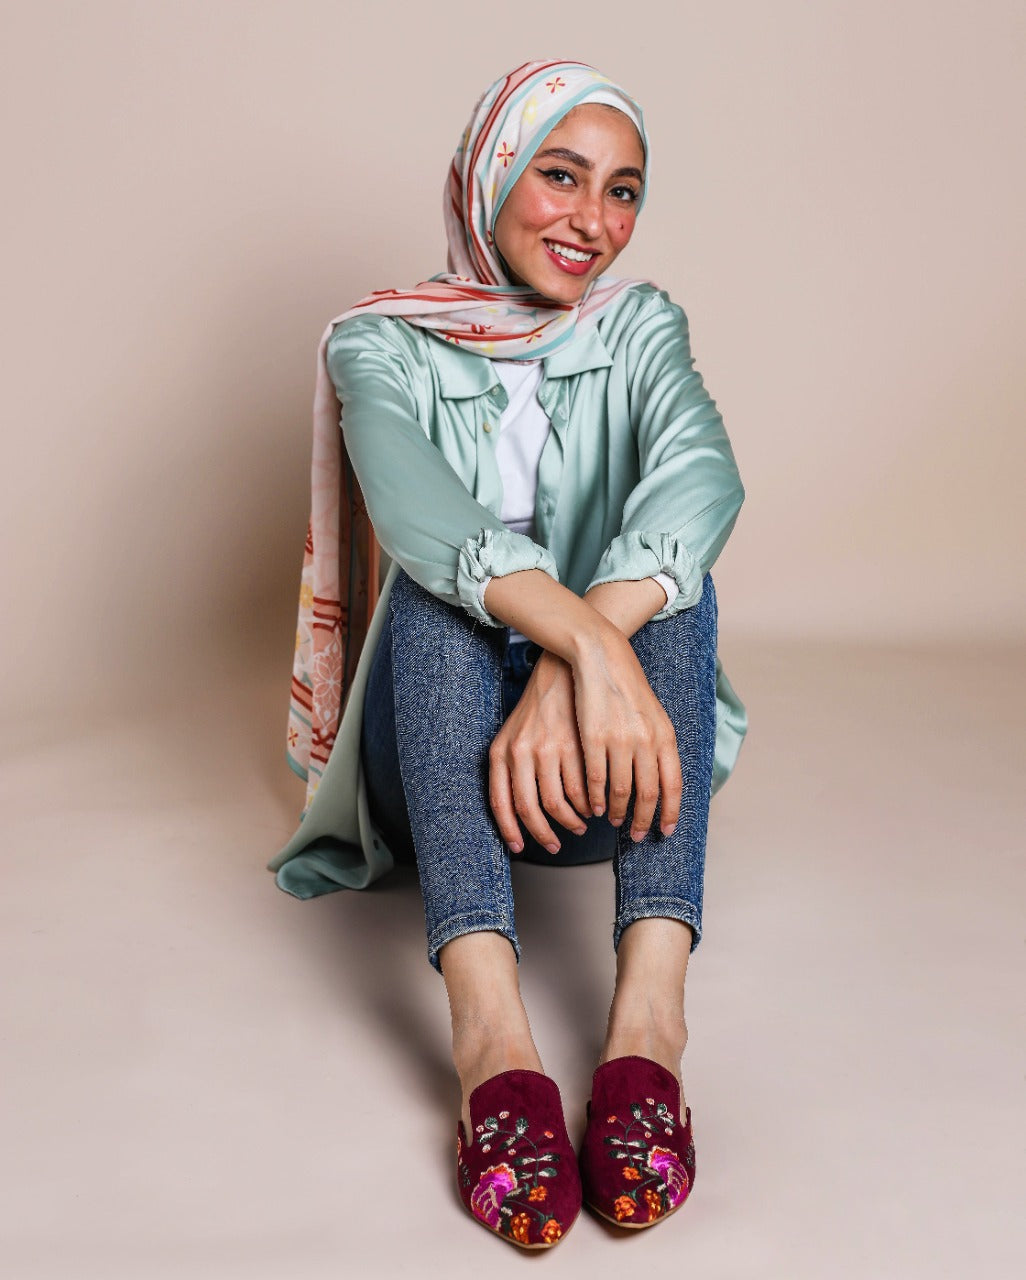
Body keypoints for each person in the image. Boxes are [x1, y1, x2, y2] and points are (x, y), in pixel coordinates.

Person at [267, 59, 747, 1248]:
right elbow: (422, 511)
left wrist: (582, 663)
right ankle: (490, 1032)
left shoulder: (640, 325)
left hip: (601, 775)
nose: (594, 219)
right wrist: (584, 641)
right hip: (439, 781)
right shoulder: (379, 343)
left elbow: (700, 475)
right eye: (561, 175)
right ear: (492, 175)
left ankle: (651, 1018)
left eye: (622, 189)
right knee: (437, 603)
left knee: (679, 589)